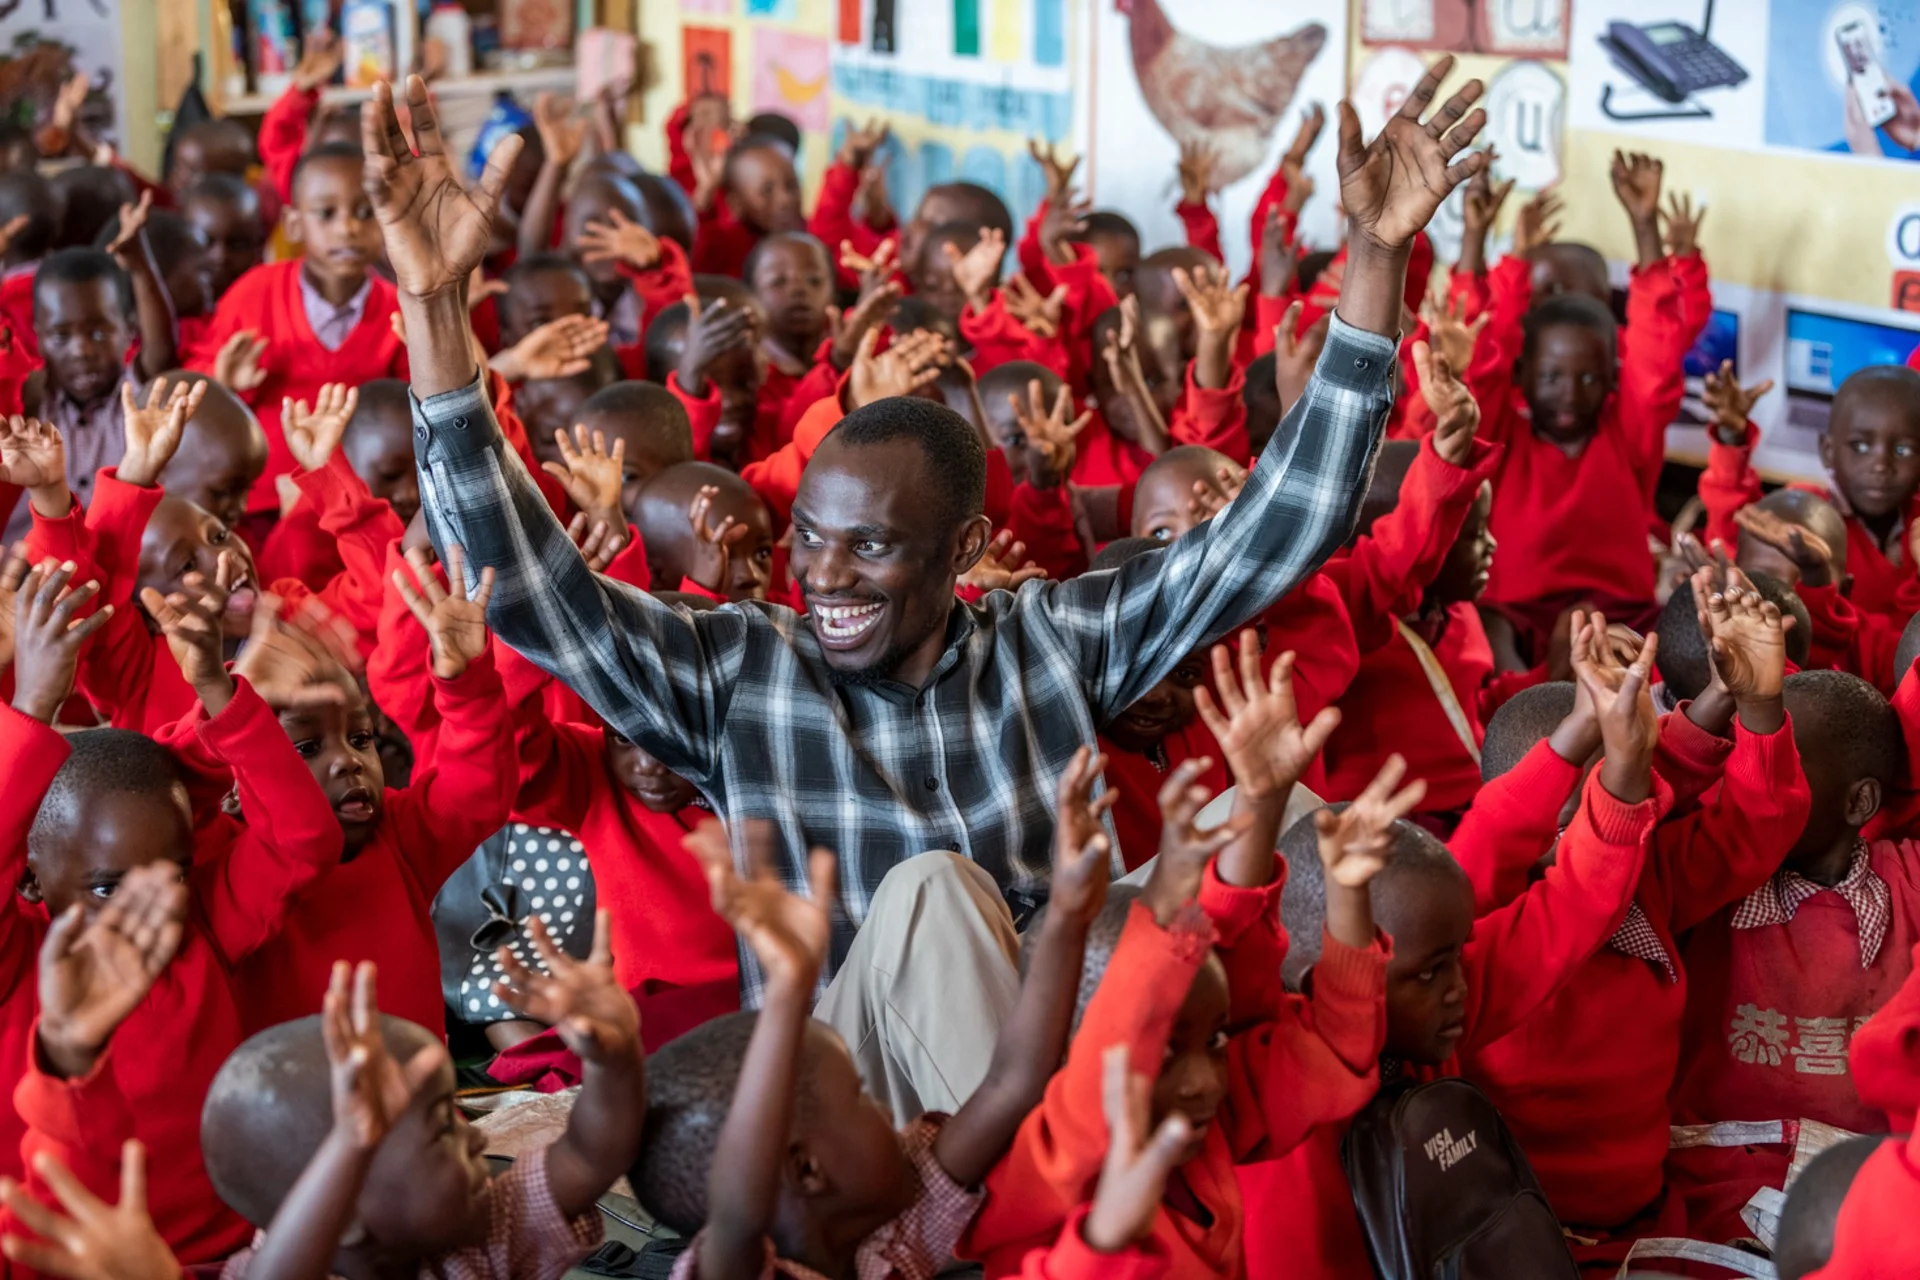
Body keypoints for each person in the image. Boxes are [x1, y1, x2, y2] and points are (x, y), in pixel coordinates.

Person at [381, 62, 1491, 999]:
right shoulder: (742, 670)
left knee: (1297, 820)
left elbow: (1273, 531)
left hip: (1050, 1057)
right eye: (810, 535)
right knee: (932, 893)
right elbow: (523, 587)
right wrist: (435, 311)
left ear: (963, 552)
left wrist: (1378, 259)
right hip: (855, 1099)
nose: (821, 573)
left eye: (870, 547)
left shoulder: (1048, 641)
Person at [184, 141, 407, 518]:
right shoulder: (253, 295)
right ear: (294, 223)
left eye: (365, 213)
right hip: (260, 507)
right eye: (326, 214)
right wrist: (223, 382)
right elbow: (193, 393)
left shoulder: (400, 311)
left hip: (362, 507)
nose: (348, 228)